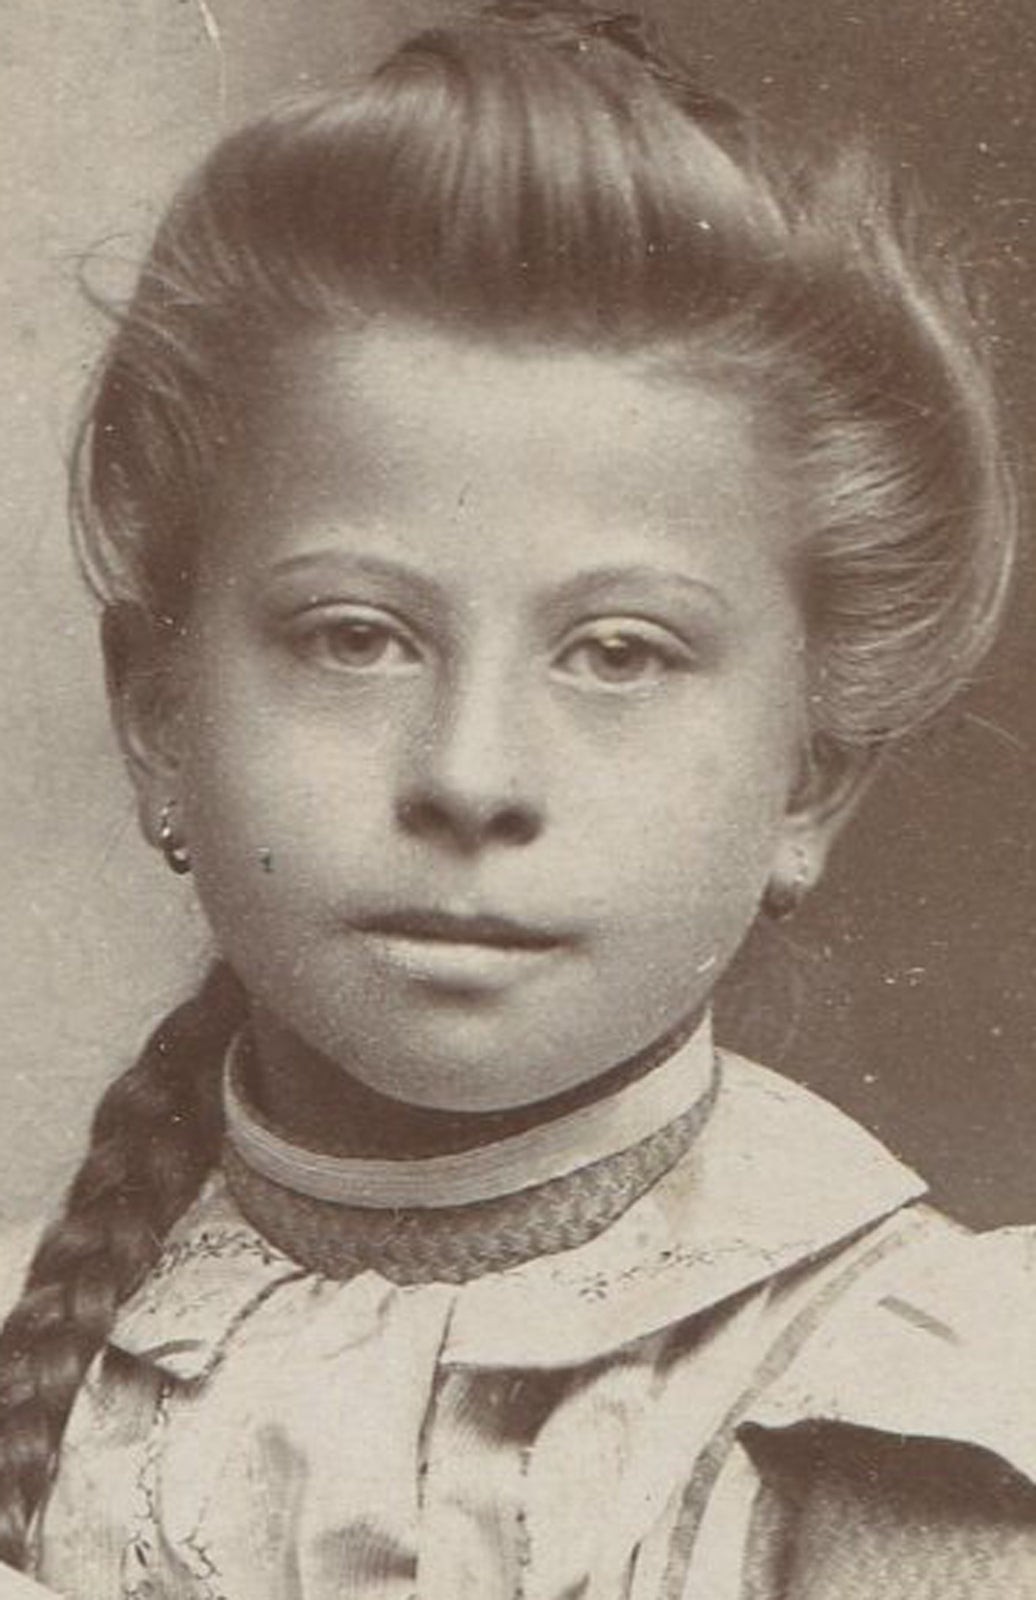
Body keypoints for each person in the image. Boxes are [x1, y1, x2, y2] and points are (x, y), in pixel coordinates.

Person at [0, 3, 1033, 1595]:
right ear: (158, 719)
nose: (471, 776)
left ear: (808, 782)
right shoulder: (38, 1351)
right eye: (357, 637)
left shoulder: (906, 1410)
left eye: (619, 654)